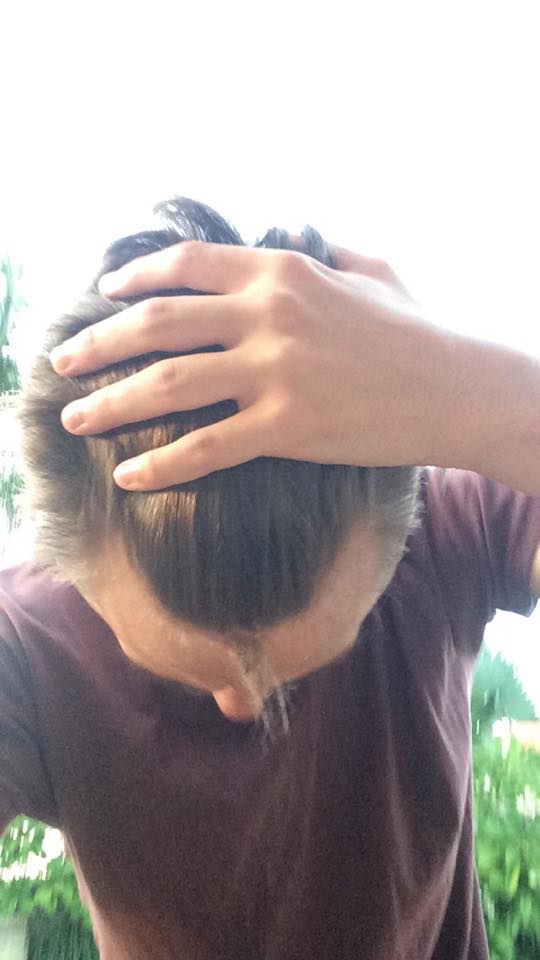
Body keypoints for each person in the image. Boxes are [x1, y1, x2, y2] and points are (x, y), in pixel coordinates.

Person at [1, 196, 539, 959]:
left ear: (409, 517)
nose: (244, 706)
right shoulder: (24, 639)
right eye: (185, 671)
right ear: (67, 565)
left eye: (305, 661)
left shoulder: (453, 523)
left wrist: (484, 390)